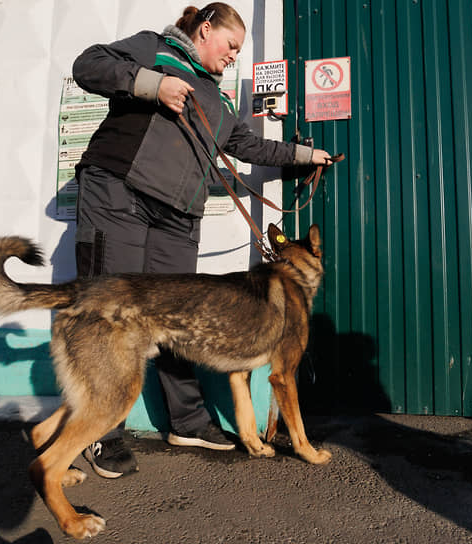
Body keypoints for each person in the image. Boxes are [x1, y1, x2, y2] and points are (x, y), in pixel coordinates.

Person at [71, 2, 333, 478]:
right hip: (120, 191)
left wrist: (304, 154)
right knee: (108, 312)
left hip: (178, 214)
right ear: (206, 29)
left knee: (183, 320)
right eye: (231, 45)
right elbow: (88, 65)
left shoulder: (219, 97)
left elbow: (248, 145)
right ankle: (98, 434)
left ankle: (187, 421)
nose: (234, 55)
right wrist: (153, 84)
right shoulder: (157, 49)